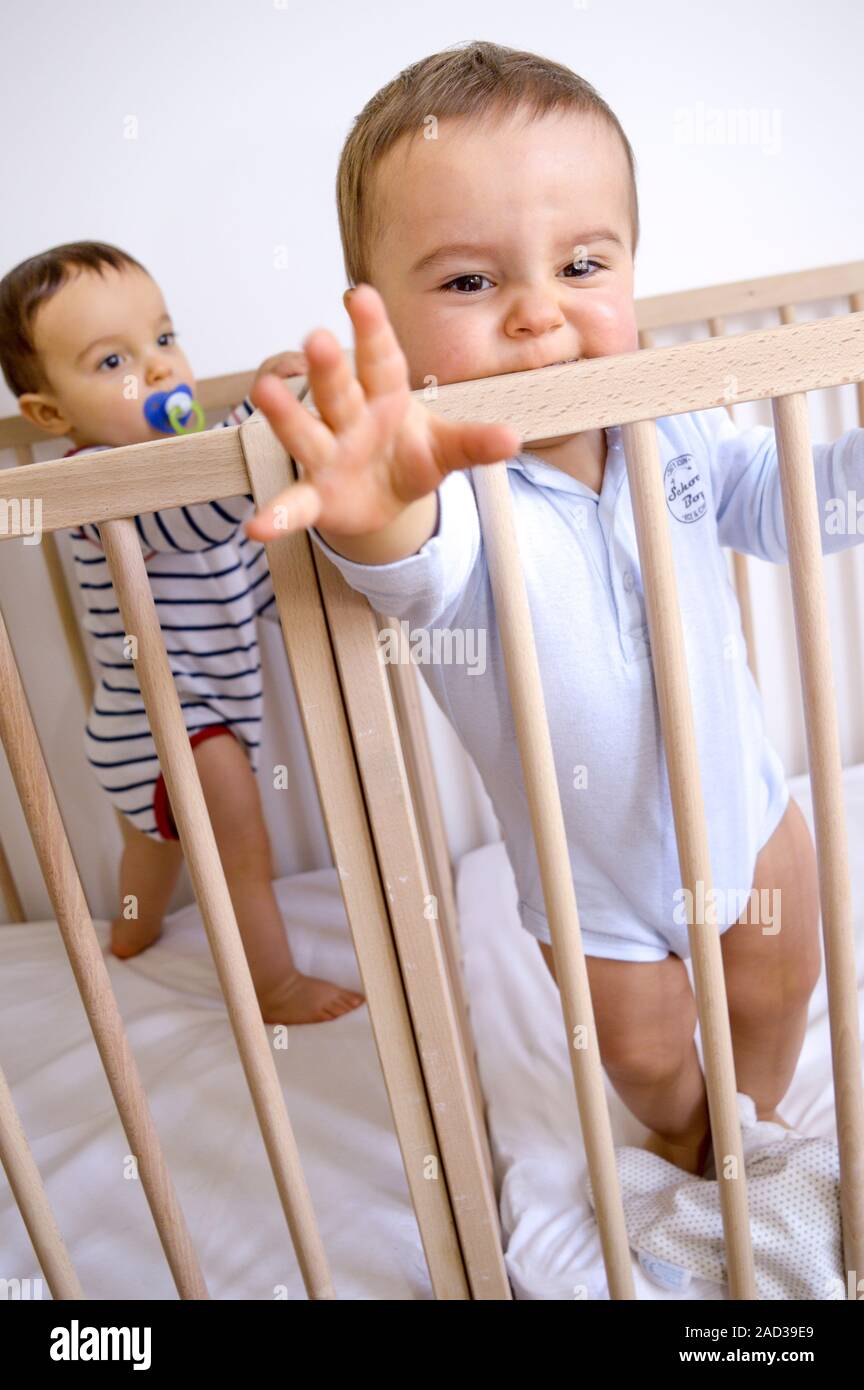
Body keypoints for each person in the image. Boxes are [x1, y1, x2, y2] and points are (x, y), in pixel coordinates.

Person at [242, 40, 864, 1171]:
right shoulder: (454, 497)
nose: (538, 313)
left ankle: (755, 1134)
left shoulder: (669, 415)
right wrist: (370, 503)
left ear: (633, 267)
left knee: (783, 984)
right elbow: (406, 560)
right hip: (594, 893)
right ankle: (692, 1145)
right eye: (471, 281)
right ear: (382, 318)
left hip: (750, 819)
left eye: (583, 263)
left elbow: (775, 502)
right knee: (643, 1057)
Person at [0, 241, 365, 1025]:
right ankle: (276, 985)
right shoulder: (93, 483)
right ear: (50, 415)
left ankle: (131, 934)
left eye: (164, 339)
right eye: (113, 362)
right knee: (242, 852)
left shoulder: (174, 465)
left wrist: (312, 605)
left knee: (153, 845)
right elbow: (202, 519)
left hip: (175, 719)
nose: (160, 369)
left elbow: (242, 571)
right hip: (174, 723)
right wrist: (262, 418)